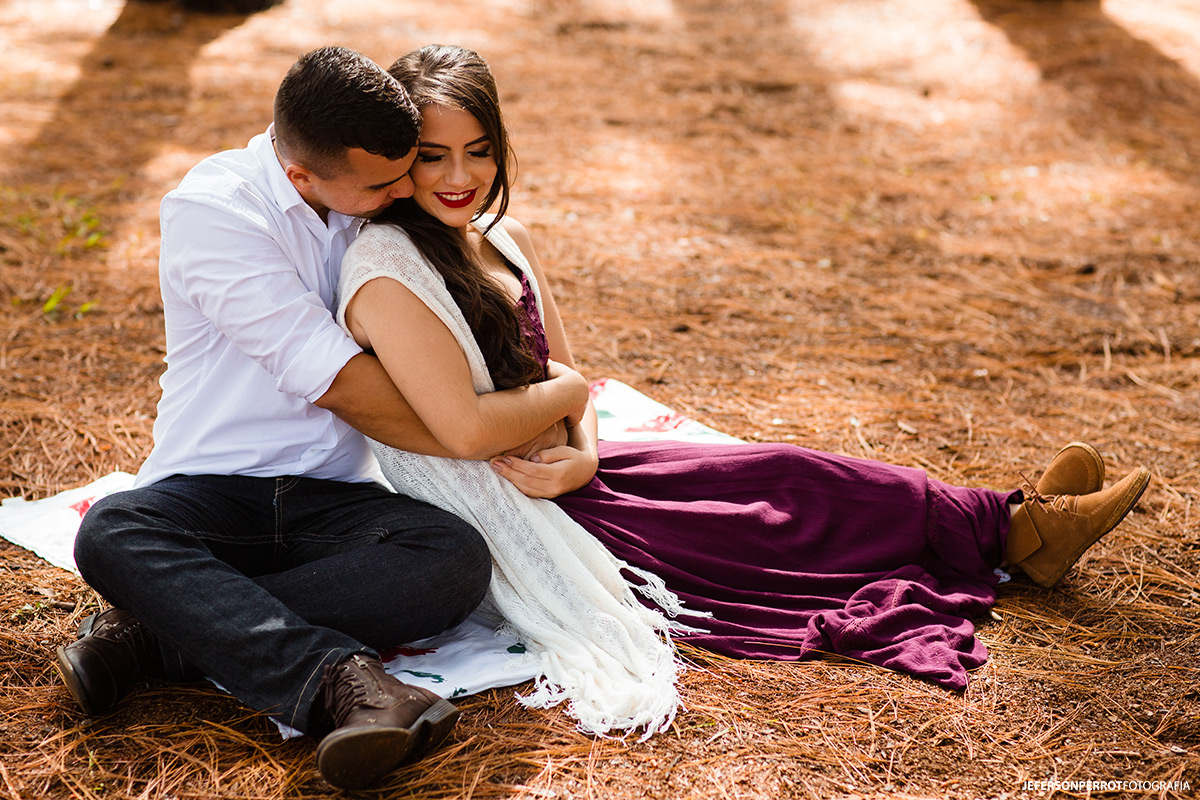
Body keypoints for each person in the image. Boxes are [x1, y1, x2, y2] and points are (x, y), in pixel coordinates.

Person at [334, 44, 1153, 736]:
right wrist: (571, 414)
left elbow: (580, 380)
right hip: (518, 505)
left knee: (781, 471)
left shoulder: (503, 238)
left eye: (478, 150)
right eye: (434, 156)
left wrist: (583, 453)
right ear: (399, 160)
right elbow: (473, 431)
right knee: (769, 523)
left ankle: (1011, 523)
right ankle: (1014, 531)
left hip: (574, 473)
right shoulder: (392, 271)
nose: (459, 175)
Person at [54, 46, 589, 791]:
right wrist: (482, 425)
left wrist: (525, 415)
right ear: (303, 174)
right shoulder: (216, 212)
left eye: (409, 167)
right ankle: (347, 687)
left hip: (335, 497)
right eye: (386, 181)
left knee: (453, 559)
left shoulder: (369, 196)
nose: (409, 187)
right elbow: (342, 386)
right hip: (215, 488)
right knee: (114, 531)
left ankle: (158, 635)